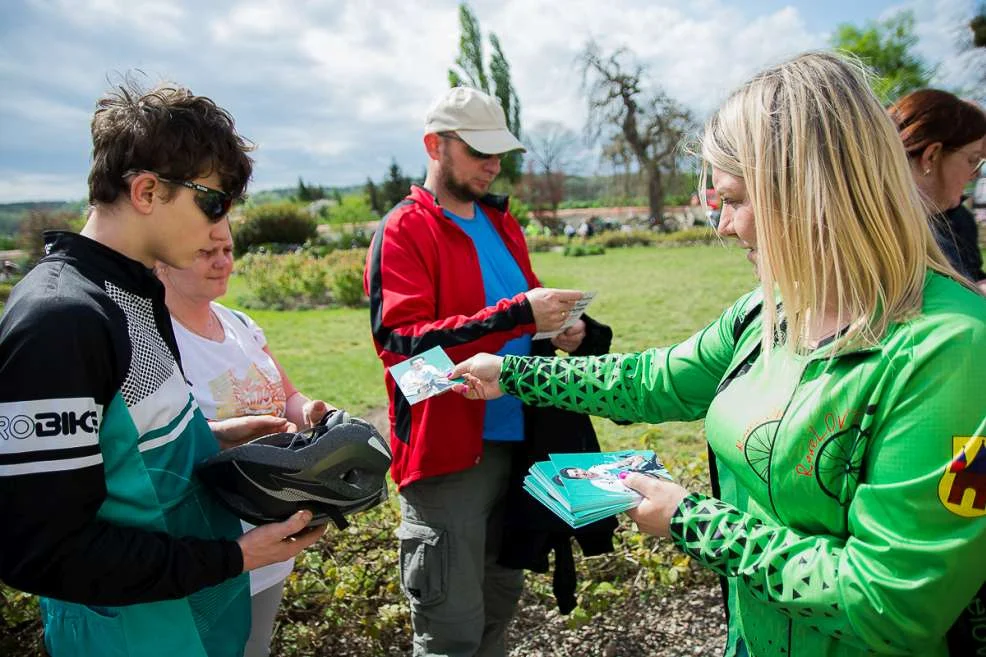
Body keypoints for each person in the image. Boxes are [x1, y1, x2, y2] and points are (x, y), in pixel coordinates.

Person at [451, 52, 986, 657]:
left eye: (732, 199)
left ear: (811, 193)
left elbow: (891, 602)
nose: (723, 227)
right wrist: (515, 373)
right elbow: (655, 380)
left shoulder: (950, 349)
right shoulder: (773, 307)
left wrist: (691, 520)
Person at [0, 80, 323, 657]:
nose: (221, 225)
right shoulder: (62, 319)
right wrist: (237, 556)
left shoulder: (132, 295)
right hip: (130, 637)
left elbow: (122, 454)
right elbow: (41, 549)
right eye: (215, 201)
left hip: (193, 624)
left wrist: (211, 440)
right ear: (147, 191)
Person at [363, 85, 590, 657]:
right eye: (478, 151)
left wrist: (562, 328)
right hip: (449, 457)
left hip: (518, 445)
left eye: (499, 153)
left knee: (497, 609)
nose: (493, 165)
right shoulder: (403, 230)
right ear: (433, 145)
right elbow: (403, 348)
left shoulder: (502, 224)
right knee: (449, 631)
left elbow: (519, 316)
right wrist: (517, 313)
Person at [156, 218, 333, 657]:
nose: (221, 263)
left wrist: (310, 412)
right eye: (205, 253)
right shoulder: (155, 337)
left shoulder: (239, 323)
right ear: (162, 260)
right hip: (213, 554)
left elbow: (288, 394)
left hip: (269, 545)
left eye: (228, 251)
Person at [889, 88, 986, 291]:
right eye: (973, 159)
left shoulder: (947, 221)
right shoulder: (891, 236)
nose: (975, 173)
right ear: (932, 155)